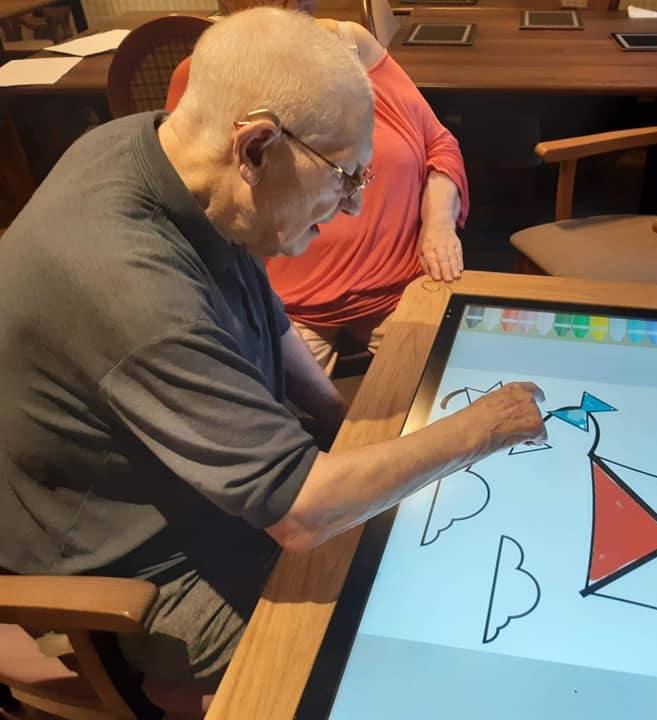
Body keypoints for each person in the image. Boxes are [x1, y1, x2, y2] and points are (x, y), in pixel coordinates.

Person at [0, 8, 544, 714]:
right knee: (398, 630)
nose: (352, 207)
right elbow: (302, 516)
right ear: (255, 148)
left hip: (179, 479)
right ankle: (168, 684)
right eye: (345, 178)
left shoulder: (153, 149)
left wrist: (340, 422)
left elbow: (267, 313)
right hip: (132, 560)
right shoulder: (133, 289)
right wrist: (483, 428)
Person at [165, 0, 469, 373]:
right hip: (289, 305)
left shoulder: (353, 46)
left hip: (401, 286)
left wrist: (439, 223)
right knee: (262, 394)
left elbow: (439, 143)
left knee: (454, 376)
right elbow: (198, 206)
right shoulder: (213, 75)